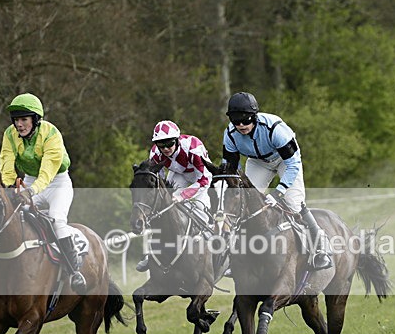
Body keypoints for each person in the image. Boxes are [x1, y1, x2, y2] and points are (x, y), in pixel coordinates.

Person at [0, 93, 87, 294]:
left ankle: (74, 271)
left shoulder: (51, 134)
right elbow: (7, 164)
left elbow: (47, 172)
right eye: (16, 120)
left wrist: (30, 191)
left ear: (35, 119)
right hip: (30, 180)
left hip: (57, 182)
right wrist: (9, 188)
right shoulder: (10, 134)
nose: (19, 124)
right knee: (6, 215)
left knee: (57, 220)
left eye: (24, 119)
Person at [221, 91, 332, 270]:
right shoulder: (230, 134)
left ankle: (321, 247)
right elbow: (231, 167)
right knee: (243, 202)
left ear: (254, 116)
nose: (241, 125)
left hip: (285, 161)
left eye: (245, 120)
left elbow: (293, 163)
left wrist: (278, 192)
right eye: (235, 120)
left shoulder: (274, 129)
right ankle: (238, 254)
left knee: (294, 203)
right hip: (258, 162)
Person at [135, 120, 213, 272]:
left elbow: (205, 179)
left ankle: (212, 245)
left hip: (200, 177)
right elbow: (159, 180)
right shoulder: (155, 153)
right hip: (178, 175)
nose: (165, 148)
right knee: (163, 209)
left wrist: (183, 195)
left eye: (169, 144)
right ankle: (152, 253)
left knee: (200, 209)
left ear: (177, 140)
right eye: (161, 145)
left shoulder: (193, 147)